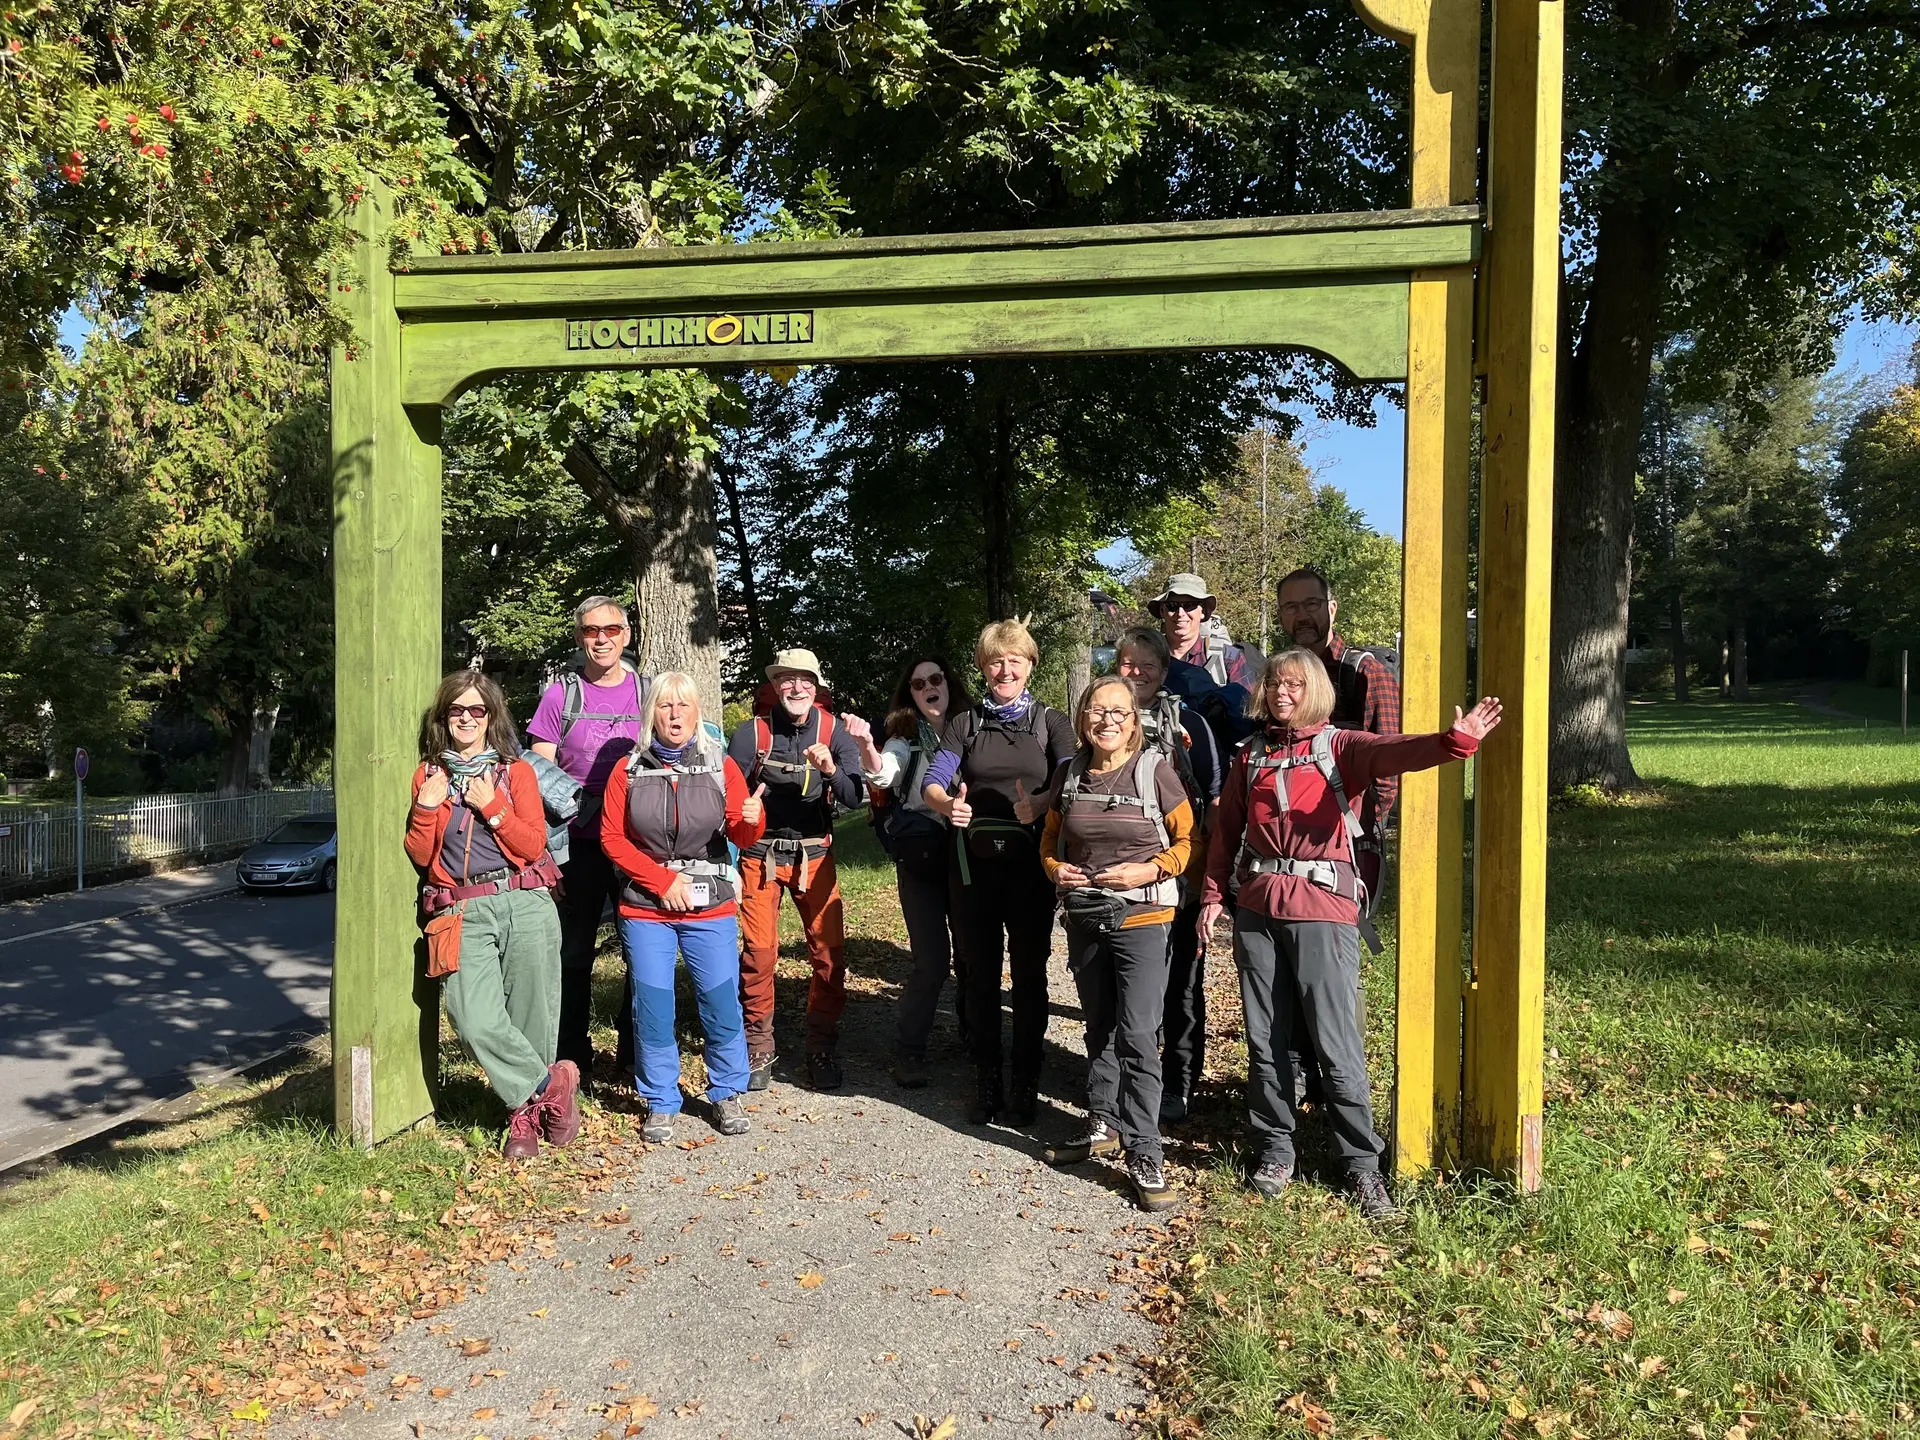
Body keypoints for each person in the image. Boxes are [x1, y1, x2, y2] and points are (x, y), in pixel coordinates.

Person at [1201, 649, 1501, 1217]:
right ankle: (1274, 1150)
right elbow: (1227, 833)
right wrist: (1214, 897)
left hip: (1323, 910)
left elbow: (1396, 751)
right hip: (1259, 912)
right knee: (1266, 1041)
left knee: (1336, 1042)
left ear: (1313, 690)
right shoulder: (1251, 756)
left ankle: (1362, 1164)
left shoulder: (1340, 746)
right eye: (1274, 685)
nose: (1281, 694)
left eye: (1293, 685)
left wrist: (1453, 741)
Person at [1040, 676, 1196, 1211]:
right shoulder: (1068, 773)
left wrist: (1147, 870)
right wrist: (1057, 869)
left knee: (1136, 1032)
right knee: (1099, 1026)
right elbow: (1049, 839)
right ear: (1083, 718)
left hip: (1143, 916)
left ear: (1135, 720)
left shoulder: (1156, 771)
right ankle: (1103, 1122)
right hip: (1085, 916)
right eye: (1097, 710)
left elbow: (1187, 841)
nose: (1107, 720)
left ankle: (1145, 1152)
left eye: (1119, 712)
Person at [406, 670, 575, 1160]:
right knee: (471, 1015)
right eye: (456, 710)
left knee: (531, 1014)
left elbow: (532, 844)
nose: (465, 718)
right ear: (444, 717)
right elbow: (421, 856)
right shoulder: (429, 775)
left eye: (476, 710)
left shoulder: (515, 771)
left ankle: (522, 1114)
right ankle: (552, 1083)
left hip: (524, 900)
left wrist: (493, 805)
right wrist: (424, 806)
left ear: (490, 717)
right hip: (462, 908)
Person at [598, 672, 765, 1143]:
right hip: (646, 906)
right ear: (651, 712)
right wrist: (659, 880)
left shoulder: (720, 765)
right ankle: (660, 1099)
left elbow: (739, 834)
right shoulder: (627, 770)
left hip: (708, 906)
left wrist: (754, 820)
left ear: (697, 713)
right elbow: (612, 838)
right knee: (652, 1005)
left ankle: (727, 1091)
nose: (675, 715)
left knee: (718, 999)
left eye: (684, 706)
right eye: (666, 706)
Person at [922, 619, 1075, 1128]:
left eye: (1014, 660)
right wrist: (947, 806)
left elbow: (1071, 774)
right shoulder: (964, 724)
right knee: (980, 976)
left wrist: (1045, 801)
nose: (1004, 669)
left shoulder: (1050, 722)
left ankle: (1026, 1079)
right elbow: (934, 781)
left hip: (1030, 871)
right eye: (995, 660)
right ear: (983, 667)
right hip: (971, 872)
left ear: (1030, 664)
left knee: (1030, 975)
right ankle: (986, 1077)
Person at [728, 647, 876, 1092]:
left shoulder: (834, 732)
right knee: (760, 955)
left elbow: (853, 798)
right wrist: (743, 815)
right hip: (760, 858)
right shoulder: (750, 734)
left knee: (829, 954)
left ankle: (821, 1045)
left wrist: (831, 770)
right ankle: (759, 1044)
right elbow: (725, 803)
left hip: (815, 856)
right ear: (775, 688)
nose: (796, 688)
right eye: (787, 680)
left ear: (816, 688)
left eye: (804, 680)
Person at [527, 597, 650, 1085]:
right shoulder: (561, 696)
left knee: (641, 947)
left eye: (612, 629)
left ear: (627, 634)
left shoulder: (648, 691)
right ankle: (573, 1056)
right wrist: (540, 854)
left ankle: (635, 1049)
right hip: (573, 843)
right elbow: (535, 773)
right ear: (579, 637)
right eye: (591, 630)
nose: (602, 638)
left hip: (637, 839)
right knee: (572, 953)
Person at [1113, 626, 1221, 1123]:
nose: (1136, 674)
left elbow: (1214, 801)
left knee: (1181, 984)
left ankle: (1179, 1083)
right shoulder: (1102, 721)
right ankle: (1124, 1084)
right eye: (1127, 664)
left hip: (1181, 877)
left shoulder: (1189, 724)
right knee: (1126, 985)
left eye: (1147, 665)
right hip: (1119, 878)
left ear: (1164, 670)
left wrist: (1212, 876)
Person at [864, 656, 975, 1088]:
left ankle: (974, 1035)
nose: (928, 687)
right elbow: (884, 775)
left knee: (972, 954)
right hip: (923, 860)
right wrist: (867, 751)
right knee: (932, 961)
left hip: (970, 858)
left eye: (935, 678)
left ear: (949, 683)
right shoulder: (903, 739)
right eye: (917, 683)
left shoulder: (973, 729)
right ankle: (910, 1049)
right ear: (909, 694)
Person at [1147, 573, 1258, 692]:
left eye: (1189, 605)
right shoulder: (1146, 656)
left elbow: (1248, 706)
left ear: (1203, 611)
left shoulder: (1228, 658)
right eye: (1172, 606)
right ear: (1162, 611)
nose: (1180, 613)